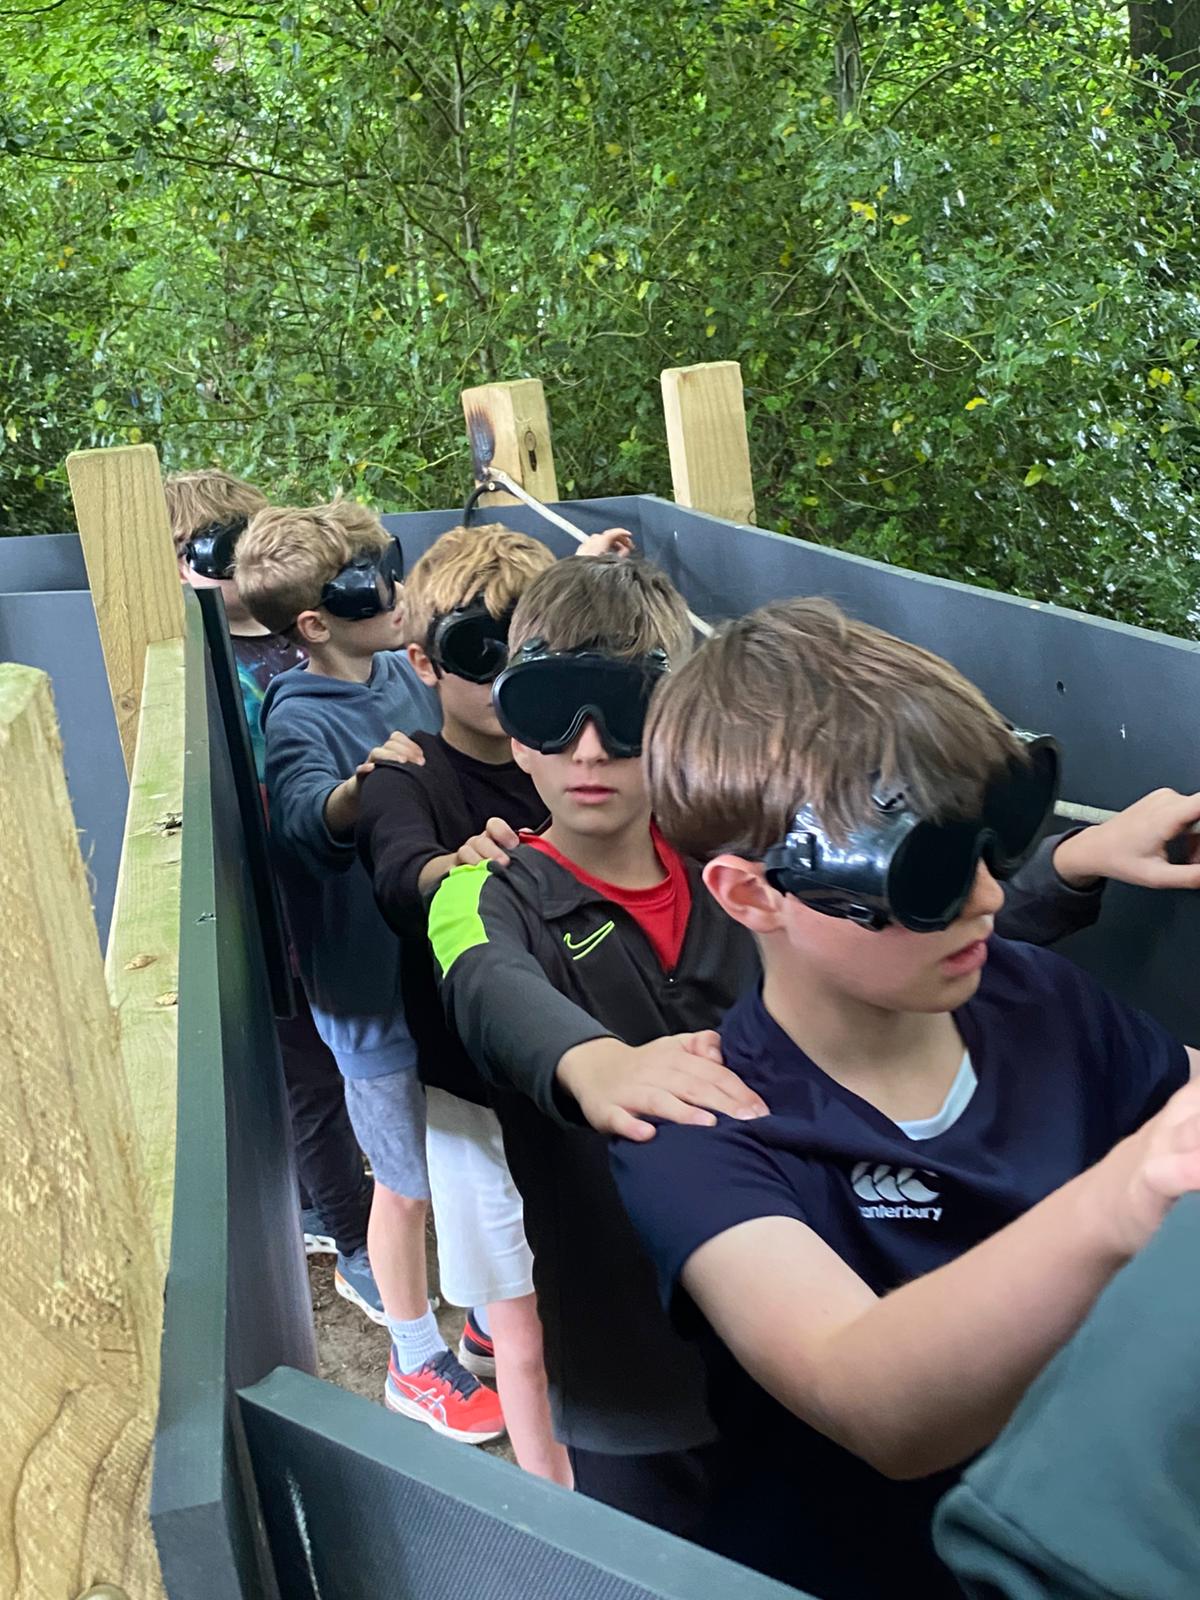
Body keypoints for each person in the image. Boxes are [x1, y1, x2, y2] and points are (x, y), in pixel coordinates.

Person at [425, 557, 1133, 1533]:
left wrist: (1071, 862)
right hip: (637, 1365)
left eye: (623, 713)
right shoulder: (483, 889)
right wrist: (593, 1063)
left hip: (815, 1298)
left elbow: (894, 926)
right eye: (549, 709)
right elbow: (486, 985)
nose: (587, 748)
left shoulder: (748, 857)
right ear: (511, 722)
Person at [609, 596, 1200, 1597]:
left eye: (990, 846)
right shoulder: (701, 1132)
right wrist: (1128, 1195)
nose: (987, 897)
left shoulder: (1034, 994)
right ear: (751, 893)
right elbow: (865, 1397)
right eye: (925, 875)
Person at [237, 501, 504, 1443]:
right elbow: (302, 819)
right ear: (315, 623)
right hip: (367, 996)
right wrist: (361, 790)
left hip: (437, 974)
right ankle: (414, 1358)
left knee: (470, 1154)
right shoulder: (299, 710)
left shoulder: (404, 671)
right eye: (366, 586)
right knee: (405, 1182)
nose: (390, 592)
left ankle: (484, 1323)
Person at [357, 521, 572, 1483]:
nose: (503, 678)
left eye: (530, 649)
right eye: (477, 651)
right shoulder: (409, 774)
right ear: (423, 663)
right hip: (475, 1099)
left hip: (577, 1078)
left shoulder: (583, 757)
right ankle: (557, 1504)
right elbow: (400, 874)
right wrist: (463, 868)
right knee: (526, 1331)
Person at [164, 469, 376, 1303]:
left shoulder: (305, 637)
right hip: (262, 903)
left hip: (329, 883)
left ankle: (334, 1201)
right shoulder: (190, 661)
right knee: (309, 1078)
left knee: (342, 1059)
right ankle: (355, 1239)